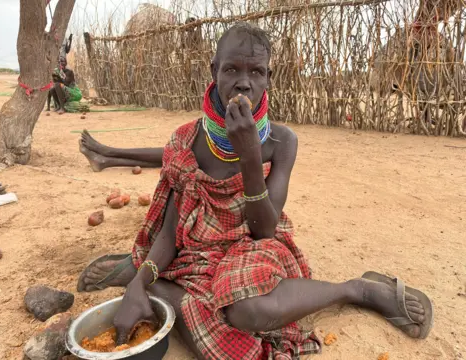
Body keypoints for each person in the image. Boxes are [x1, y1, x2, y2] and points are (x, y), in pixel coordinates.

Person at [77, 23, 433, 360]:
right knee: (204, 328)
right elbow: (170, 233)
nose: (243, 83)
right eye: (231, 70)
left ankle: (356, 289)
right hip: (197, 254)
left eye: (256, 72)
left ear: (268, 78)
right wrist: (139, 284)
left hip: (255, 248)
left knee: (249, 311)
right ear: (213, 70)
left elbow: (264, 229)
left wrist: (250, 155)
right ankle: (151, 286)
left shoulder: (281, 142)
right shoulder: (185, 141)